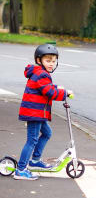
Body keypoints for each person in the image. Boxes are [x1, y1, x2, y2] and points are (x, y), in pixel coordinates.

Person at [14, 44, 73, 180]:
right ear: (39, 60)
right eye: (48, 60)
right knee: (32, 140)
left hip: (38, 112)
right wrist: (65, 93)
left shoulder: (40, 73)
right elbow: (50, 92)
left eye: (53, 61)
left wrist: (57, 87)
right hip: (35, 113)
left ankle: (35, 161)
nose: (51, 64)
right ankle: (21, 169)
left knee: (47, 133)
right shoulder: (41, 74)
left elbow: (46, 87)